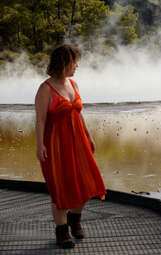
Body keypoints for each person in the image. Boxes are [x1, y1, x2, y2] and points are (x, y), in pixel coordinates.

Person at [34, 44, 106, 249]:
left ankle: (75, 220)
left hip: (79, 142)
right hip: (56, 146)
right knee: (61, 187)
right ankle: (62, 232)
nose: (77, 66)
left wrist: (89, 136)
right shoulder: (45, 89)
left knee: (86, 182)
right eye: (74, 62)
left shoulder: (73, 84)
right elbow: (40, 120)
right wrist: (40, 146)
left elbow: (78, 113)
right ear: (64, 63)